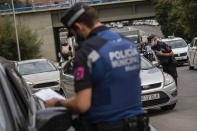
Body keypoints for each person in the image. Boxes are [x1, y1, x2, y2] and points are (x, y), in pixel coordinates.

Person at [45, 3, 150, 131]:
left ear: (78, 26)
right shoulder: (128, 44)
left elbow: (82, 104)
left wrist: (56, 103)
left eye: (73, 33)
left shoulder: (87, 52)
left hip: (106, 126)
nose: (75, 38)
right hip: (139, 125)